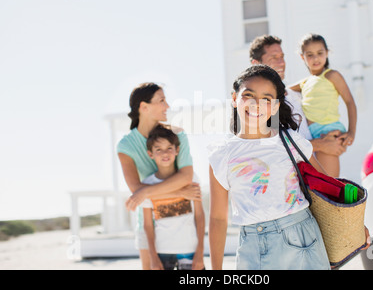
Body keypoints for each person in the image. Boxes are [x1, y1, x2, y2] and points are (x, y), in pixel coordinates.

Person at [208, 65, 331, 270]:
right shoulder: (221, 154)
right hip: (253, 245)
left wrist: (352, 226)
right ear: (234, 98)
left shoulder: (289, 140)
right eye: (249, 95)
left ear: (275, 107)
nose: (257, 104)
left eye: (266, 99)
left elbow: (325, 188)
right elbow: (218, 218)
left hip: (303, 237)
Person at [117, 82, 201, 270]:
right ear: (144, 107)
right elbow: (136, 192)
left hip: (182, 228)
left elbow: (186, 177)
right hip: (149, 229)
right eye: (162, 100)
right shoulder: (126, 146)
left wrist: (146, 194)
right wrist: (181, 192)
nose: (168, 106)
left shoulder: (177, 134)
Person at [249, 35, 347, 165]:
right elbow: (271, 148)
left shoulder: (296, 93)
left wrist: (337, 138)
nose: (281, 63)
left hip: (316, 171)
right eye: (273, 58)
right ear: (256, 64)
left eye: (282, 57)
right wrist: (320, 145)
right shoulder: (261, 105)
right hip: (290, 179)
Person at [292, 33, 357, 177]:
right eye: (310, 55)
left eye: (320, 53)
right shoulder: (305, 82)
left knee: (329, 180)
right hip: (312, 134)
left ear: (327, 53)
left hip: (328, 131)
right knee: (318, 181)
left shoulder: (331, 75)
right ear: (302, 57)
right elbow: (283, 90)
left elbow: (350, 102)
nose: (315, 58)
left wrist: (352, 131)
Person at [142, 125, 205, 270]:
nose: (165, 153)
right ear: (150, 154)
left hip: (190, 249)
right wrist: (153, 257)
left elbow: (200, 216)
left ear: (177, 150)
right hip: (162, 252)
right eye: (158, 149)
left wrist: (200, 251)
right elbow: (148, 225)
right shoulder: (147, 186)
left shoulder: (190, 178)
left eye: (169, 148)